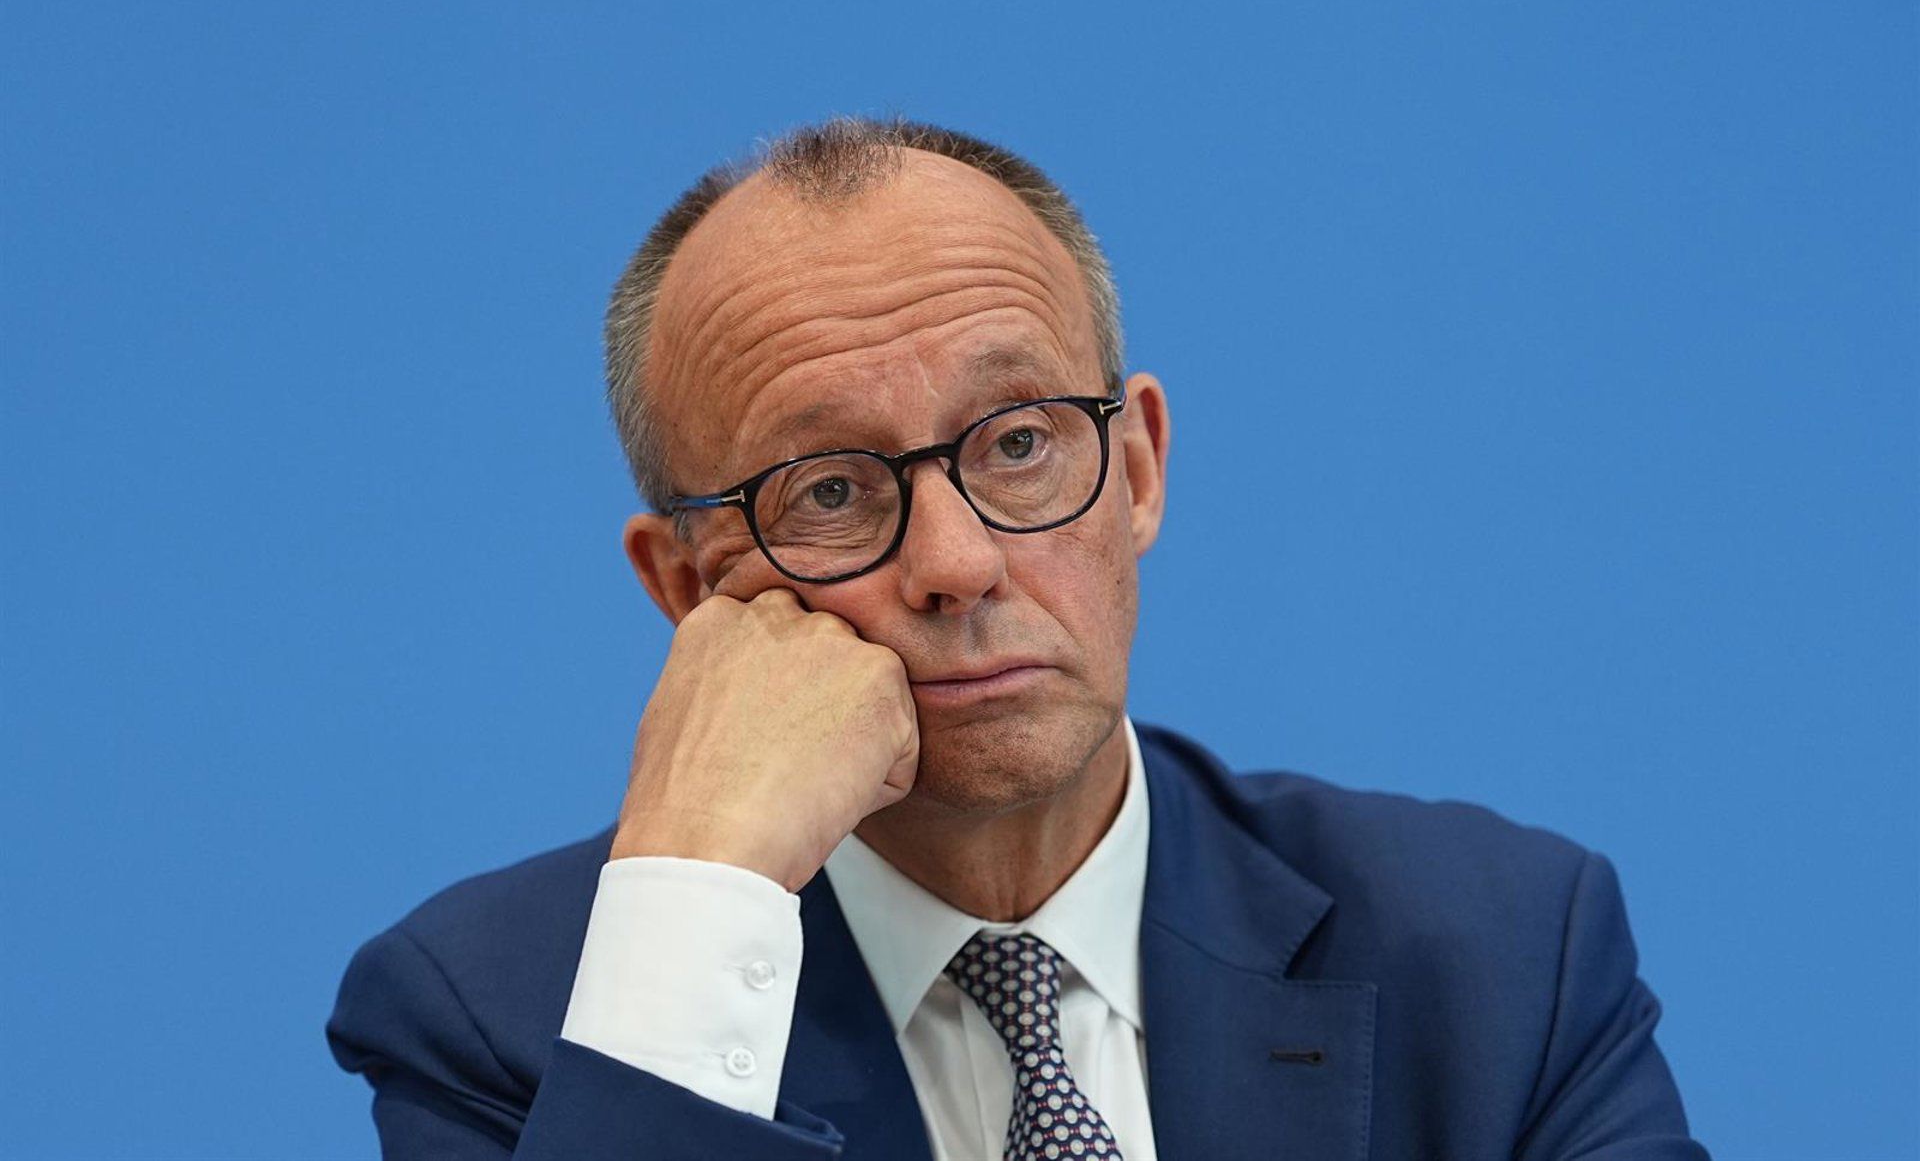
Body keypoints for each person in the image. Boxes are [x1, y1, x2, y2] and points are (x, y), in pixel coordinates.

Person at [327, 117, 1709, 1160]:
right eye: (829, 491)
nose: (956, 561)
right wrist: (702, 908)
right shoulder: (504, 1022)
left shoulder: (1502, 957)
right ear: (689, 588)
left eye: (1021, 442)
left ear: (1141, 469)